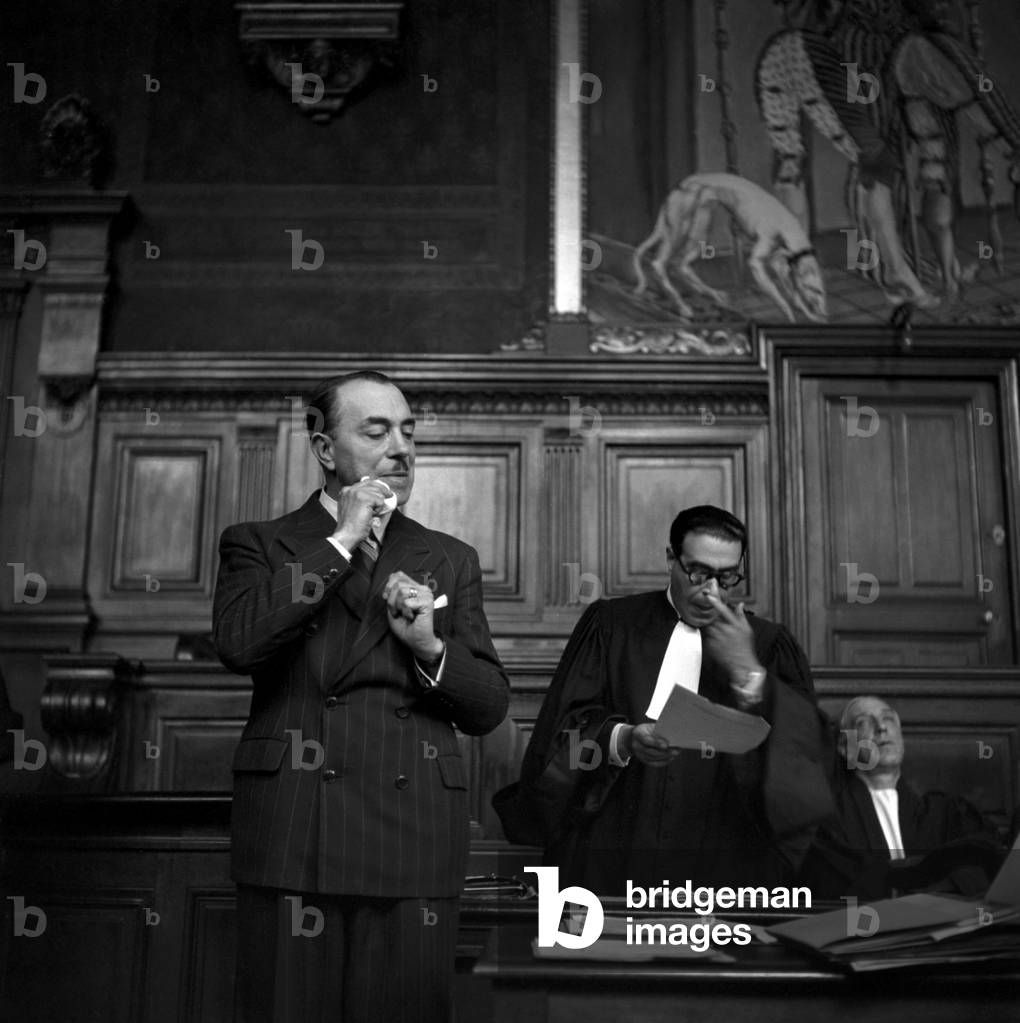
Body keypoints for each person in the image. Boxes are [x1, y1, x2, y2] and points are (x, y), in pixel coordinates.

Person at [213, 370, 509, 1023]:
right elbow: (238, 643)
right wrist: (341, 540)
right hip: (296, 829)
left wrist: (431, 647)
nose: (401, 447)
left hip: (412, 841)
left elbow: (488, 706)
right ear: (325, 448)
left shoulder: (449, 557)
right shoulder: (259, 543)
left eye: (408, 430)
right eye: (376, 430)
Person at [499, 505, 832, 894]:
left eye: (727, 578)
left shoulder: (769, 645)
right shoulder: (612, 626)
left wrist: (750, 675)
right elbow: (561, 733)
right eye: (699, 573)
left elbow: (807, 763)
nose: (712, 592)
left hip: (723, 858)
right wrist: (622, 738)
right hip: (614, 841)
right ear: (671, 559)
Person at [799, 695, 1002, 899]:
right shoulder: (828, 821)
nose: (881, 727)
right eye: (863, 723)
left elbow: (985, 861)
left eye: (888, 719)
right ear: (845, 748)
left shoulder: (944, 813)